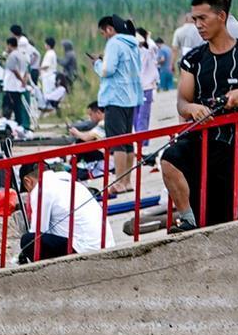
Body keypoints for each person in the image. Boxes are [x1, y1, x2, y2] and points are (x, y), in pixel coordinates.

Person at [161, 0, 238, 232]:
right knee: (169, 159)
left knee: (226, 221)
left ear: (222, 16)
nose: (198, 25)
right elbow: (182, 102)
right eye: (194, 19)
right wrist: (193, 108)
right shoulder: (192, 59)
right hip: (197, 140)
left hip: (230, 147)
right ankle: (187, 218)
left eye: (203, 18)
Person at [91, 15, 142, 195]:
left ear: (110, 29)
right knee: (128, 141)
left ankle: (119, 182)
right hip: (131, 98)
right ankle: (127, 181)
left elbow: (107, 70)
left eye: (103, 32)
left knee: (117, 142)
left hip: (115, 98)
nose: (104, 36)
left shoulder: (114, 43)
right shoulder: (132, 44)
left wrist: (97, 63)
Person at [17, 162, 106, 264]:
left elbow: (37, 232)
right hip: (104, 244)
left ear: (27, 182)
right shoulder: (71, 182)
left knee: (28, 240)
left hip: (85, 249)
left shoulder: (41, 188)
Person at [2, 37, 30, 130]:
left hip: (11, 86)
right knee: (18, 107)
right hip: (18, 87)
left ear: (9, 45)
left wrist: (21, 80)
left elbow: (14, 69)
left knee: (8, 108)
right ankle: (19, 125)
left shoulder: (12, 56)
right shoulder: (21, 55)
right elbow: (26, 71)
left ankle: (8, 126)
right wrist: (24, 81)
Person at [135, 28, 158, 137]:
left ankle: (142, 142)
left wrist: (147, 37)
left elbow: (152, 46)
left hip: (146, 87)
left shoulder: (149, 50)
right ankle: (140, 140)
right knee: (135, 117)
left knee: (143, 117)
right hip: (135, 88)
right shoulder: (134, 51)